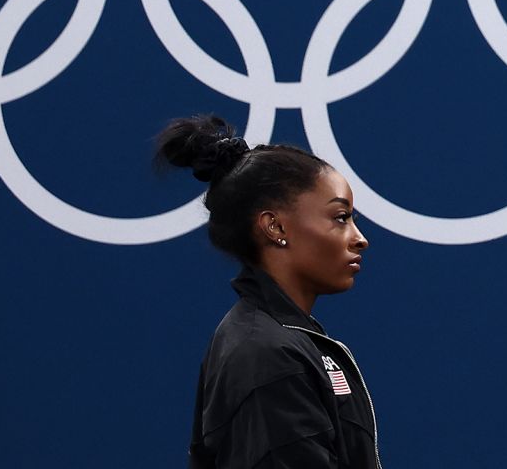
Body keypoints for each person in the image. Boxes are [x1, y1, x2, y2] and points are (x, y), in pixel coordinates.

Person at [155, 114, 379, 469]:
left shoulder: (280, 341)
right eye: (340, 217)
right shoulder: (268, 354)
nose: (360, 238)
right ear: (274, 226)